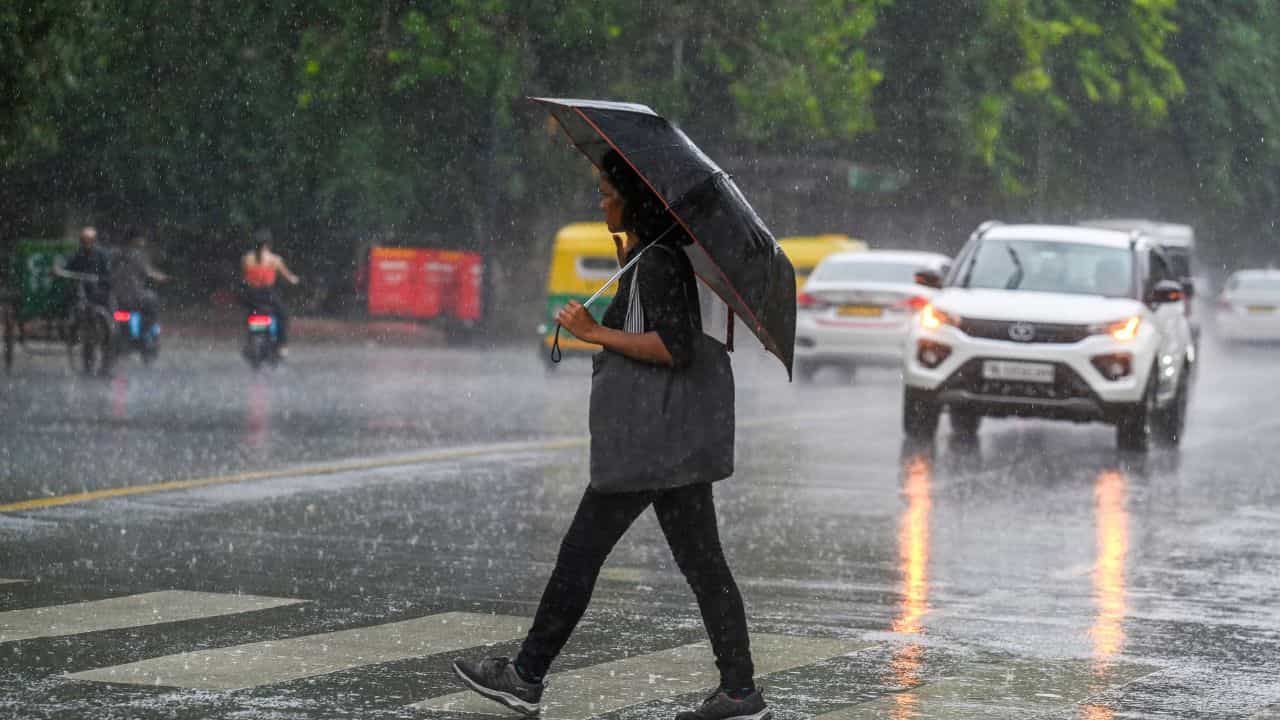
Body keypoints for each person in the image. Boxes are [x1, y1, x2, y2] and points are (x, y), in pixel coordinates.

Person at [451, 152, 768, 720]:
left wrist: (593, 331)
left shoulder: (658, 263)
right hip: (669, 444)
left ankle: (525, 676)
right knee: (704, 566)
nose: (599, 203)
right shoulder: (649, 256)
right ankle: (739, 691)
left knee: (581, 555)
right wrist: (629, 258)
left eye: (605, 193)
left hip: (649, 441)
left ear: (633, 199)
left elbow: (674, 346)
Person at [240, 228, 299, 355]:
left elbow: (245, 277)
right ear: (268, 244)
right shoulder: (274, 260)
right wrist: (295, 280)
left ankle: (250, 339)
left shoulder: (246, 259)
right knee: (283, 314)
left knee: (249, 314)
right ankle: (282, 345)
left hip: (251, 296)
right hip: (267, 295)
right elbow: (289, 277)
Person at [113, 230, 170, 336]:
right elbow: (148, 271)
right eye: (141, 239)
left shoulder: (119, 254)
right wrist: (162, 278)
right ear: (135, 240)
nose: (143, 241)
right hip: (135, 295)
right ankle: (149, 331)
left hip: (118, 296)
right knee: (152, 301)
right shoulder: (138, 255)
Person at [63, 226, 113, 311]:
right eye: (84, 240)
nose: (87, 243)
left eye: (89, 240)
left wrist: (102, 280)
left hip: (98, 289)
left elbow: (108, 273)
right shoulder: (78, 254)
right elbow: (68, 265)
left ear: (94, 241)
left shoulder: (101, 255)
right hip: (80, 289)